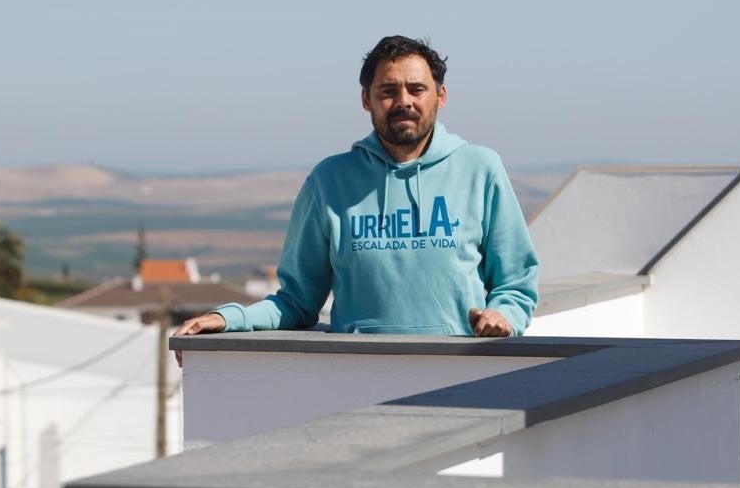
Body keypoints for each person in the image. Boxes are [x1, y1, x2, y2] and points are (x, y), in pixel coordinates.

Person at [175, 35, 539, 362]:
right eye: (388, 91)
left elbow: (516, 283)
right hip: (356, 377)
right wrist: (230, 318)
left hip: (459, 373)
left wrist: (504, 316)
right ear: (367, 99)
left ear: (440, 96)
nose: (404, 101)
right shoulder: (328, 181)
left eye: (417, 89)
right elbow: (297, 301)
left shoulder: (480, 169)